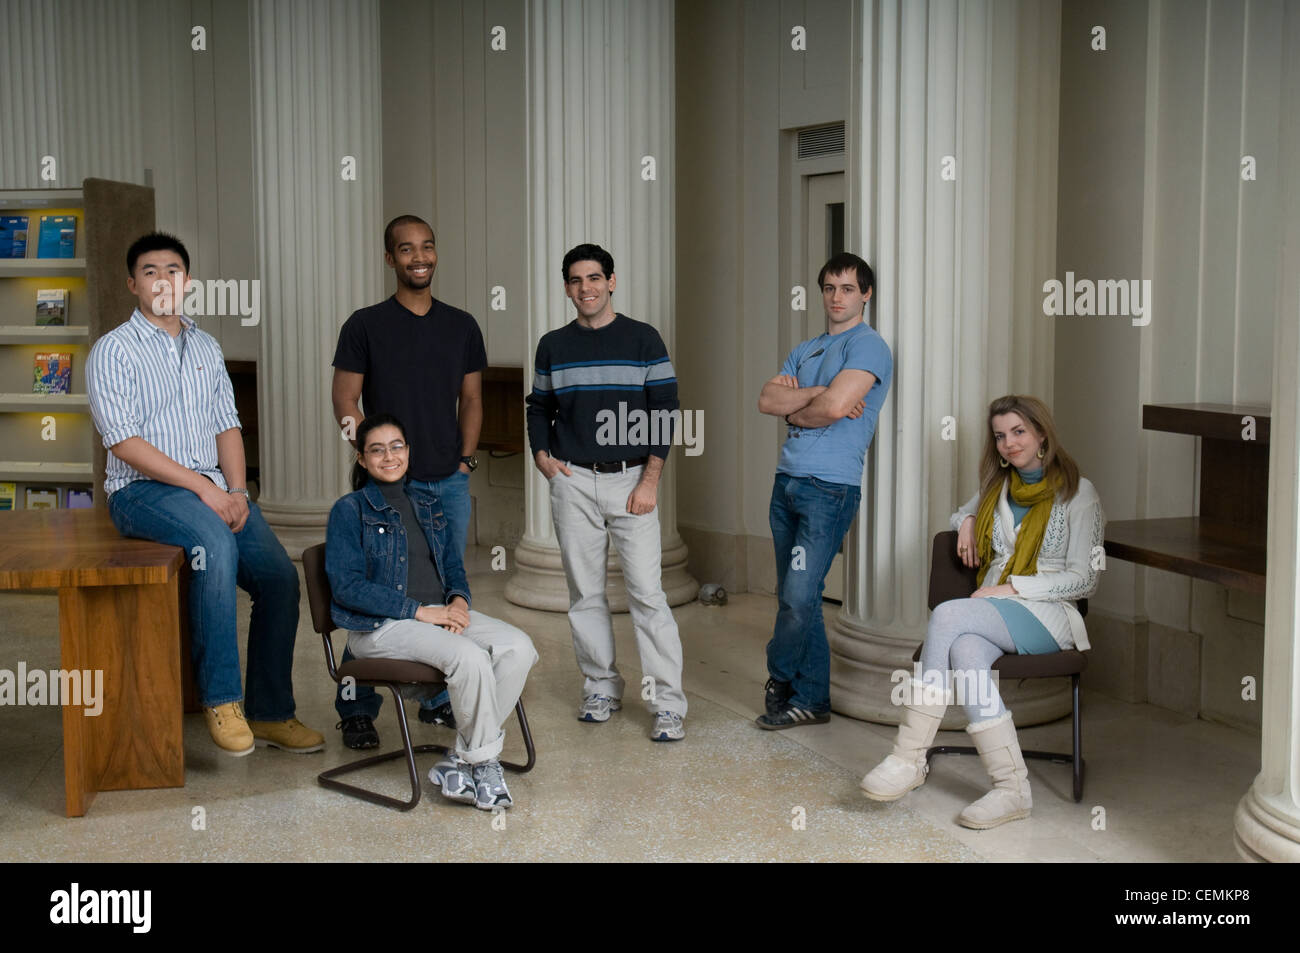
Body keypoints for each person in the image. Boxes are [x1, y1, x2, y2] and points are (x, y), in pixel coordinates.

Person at [85, 231, 323, 757]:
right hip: (142, 491)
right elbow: (123, 441)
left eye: (172, 270)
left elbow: (228, 428)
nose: (162, 279)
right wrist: (205, 490)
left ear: (187, 282)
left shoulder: (206, 347)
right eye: (149, 271)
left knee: (280, 579)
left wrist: (237, 490)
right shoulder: (113, 350)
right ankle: (221, 699)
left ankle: (271, 712)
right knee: (212, 546)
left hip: (214, 488)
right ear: (133, 284)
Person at [860, 394, 1105, 829]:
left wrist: (1016, 586)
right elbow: (962, 513)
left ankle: (908, 757)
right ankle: (1012, 789)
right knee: (968, 652)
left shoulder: (1077, 492)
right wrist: (969, 521)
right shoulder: (999, 487)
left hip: (1048, 614)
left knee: (950, 616)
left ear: (1042, 433)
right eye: (1000, 436)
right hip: (997, 607)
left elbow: (1086, 578)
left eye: (1018, 432)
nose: (1009, 444)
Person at [326, 413, 537, 810]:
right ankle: (484, 763)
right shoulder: (349, 510)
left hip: (438, 616)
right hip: (380, 628)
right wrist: (417, 611)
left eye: (397, 446)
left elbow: (453, 566)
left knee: (518, 647)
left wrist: (458, 599)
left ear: (408, 451)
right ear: (361, 458)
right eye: (377, 449)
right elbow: (347, 587)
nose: (389, 456)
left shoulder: (427, 503)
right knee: (470, 657)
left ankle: (459, 760)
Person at [330, 214, 486, 749]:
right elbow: (345, 399)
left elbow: (472, 398)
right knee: (377, 591)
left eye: (427, 246)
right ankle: (356, 704)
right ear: (390, 258)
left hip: (446, 481)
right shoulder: (365, 324)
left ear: (435, 253)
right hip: (389, 484)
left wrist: (465, 461)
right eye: (405, 248)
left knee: (445, 584)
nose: (418, 256)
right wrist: (365, 450)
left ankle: (439, 698)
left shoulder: (462, 325)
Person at [525, 243, 687, 741]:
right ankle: (600, 686)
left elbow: (665, 411)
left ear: (611, 281)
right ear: (567, 287)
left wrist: (649, 481)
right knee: (585, 593)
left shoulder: (643, 339)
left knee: (647, 594)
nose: (585, 289)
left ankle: (668, 703)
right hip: (572, 480)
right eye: (575, 281)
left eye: (594, 278)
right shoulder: (553, 344)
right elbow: (538, 405)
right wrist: (542, 454)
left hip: (630, 479)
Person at [754, 253, 893, 729]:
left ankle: (779, 676)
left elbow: (835, 407)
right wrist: (819, 397)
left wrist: (807, 403)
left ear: (866, 294)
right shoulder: (807, 348)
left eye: (848, 289)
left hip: (829, 488)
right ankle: (812, 699)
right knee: (797, 596)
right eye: (830, 288)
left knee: (798, 595)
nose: (837, 297)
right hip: (786, 482)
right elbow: (767, 399)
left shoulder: (870, 347)